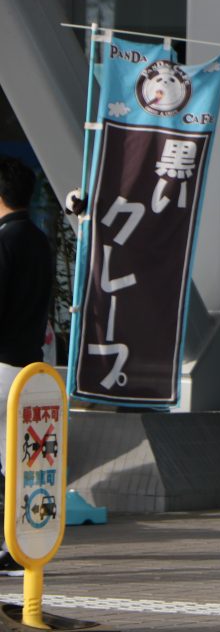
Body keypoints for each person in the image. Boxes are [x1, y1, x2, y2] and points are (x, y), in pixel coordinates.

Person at [0, 157, 54, 576]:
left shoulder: (4, 240)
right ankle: (19, 546)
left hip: (0, 363)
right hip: (28, 367)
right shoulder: (39, 239)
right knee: (18, 461)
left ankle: (8, 547)